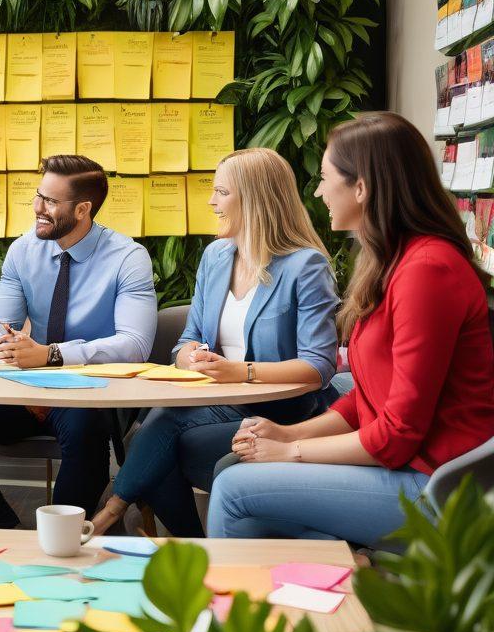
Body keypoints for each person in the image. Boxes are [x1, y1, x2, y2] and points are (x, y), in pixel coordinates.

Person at [209, 113, 494, 545]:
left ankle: (240, 608)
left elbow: (398, 434)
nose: (319, 191)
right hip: (403, 466)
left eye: (325, 178)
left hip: (435, 486)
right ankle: (329, 589)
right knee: (231, 469)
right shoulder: (392, 262)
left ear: (361, 188)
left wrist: (290, 452)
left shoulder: (427, 270)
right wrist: (288, 433)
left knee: (232, 490)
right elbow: (367, 398)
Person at [91, 148, 339, 536]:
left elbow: (318, 368)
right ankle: (187, 543)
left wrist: (239, 371)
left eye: (221, 192)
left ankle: (117, 514)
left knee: (163, 437)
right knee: (158, 427)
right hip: (215, 401)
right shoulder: (216, 257)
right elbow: (189, 339)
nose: (211, 201)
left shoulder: (305, 266)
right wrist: (189, 356)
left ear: (254, 199)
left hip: (282, 410)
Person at [0, 154, 157, 528]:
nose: (38, 208)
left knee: (86, 432)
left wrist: (52, 355)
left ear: (83, 209)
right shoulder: (24, 250)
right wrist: (5, 346)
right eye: (39, 196)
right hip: (28, 390)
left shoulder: (128, 257)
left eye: (51, 202)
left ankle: (62, 538)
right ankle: (7, 529)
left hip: (91, 392)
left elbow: (135, 344)